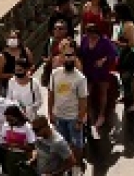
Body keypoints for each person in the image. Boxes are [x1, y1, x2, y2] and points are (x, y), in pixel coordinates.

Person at [48, 45, 88, 173]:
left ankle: (77, 166)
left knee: (77, 145)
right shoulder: (55, 74)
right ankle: (66, 166)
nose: (69, 58)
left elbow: (83, 101)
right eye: (66, 55)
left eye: (71, 55)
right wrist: (50, 113)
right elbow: (51, 94)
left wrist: (80, 120)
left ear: (75, 57)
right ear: (61, 57)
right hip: (59, 116)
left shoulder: (80, 78)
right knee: (62, 144)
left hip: (73, 117)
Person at [76, 23, 118, 136]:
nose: (89, 36)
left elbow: (113, 53)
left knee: (102, 92)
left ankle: (101, 114)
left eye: (91, 33)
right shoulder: (85, 39)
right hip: (88, 69)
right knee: (87, 93)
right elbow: (80, 52)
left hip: (101, 71)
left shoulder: (104, 41)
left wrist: (103, 60)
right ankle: (88, 114)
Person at [113, 2, 134, 113]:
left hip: (130, 54)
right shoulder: (123, 24)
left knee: (133, 78)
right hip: (123, 54)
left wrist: (117, 43)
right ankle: (128, 96)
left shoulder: (129, 26)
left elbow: (132, 44)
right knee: (124, 77)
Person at [0, 104, 35, 175]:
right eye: (7, 120)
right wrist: (5, 145)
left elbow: (32, 147)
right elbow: (2, 141)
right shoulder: (6, 125)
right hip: (10, 155)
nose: (9, 122)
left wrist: (17, 146)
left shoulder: (27, 128)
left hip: (24, 156)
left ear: (18, 117)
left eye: (11, 120)